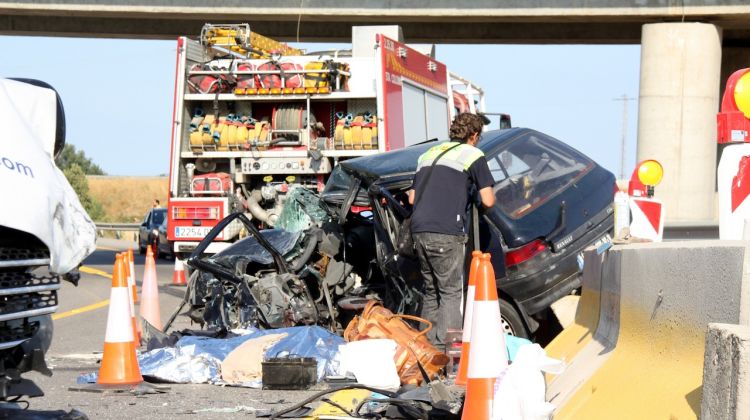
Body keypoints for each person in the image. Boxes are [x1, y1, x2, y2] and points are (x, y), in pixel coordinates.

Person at [407, 113, 496, 352]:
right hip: (446, 232)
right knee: (450, 292)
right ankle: (449, 355)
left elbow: (412, 197)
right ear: (474, 136)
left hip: (419, 231)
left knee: (430, 291)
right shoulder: (473, 154)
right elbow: (488, 200)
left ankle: (426, 352)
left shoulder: (428, 154)